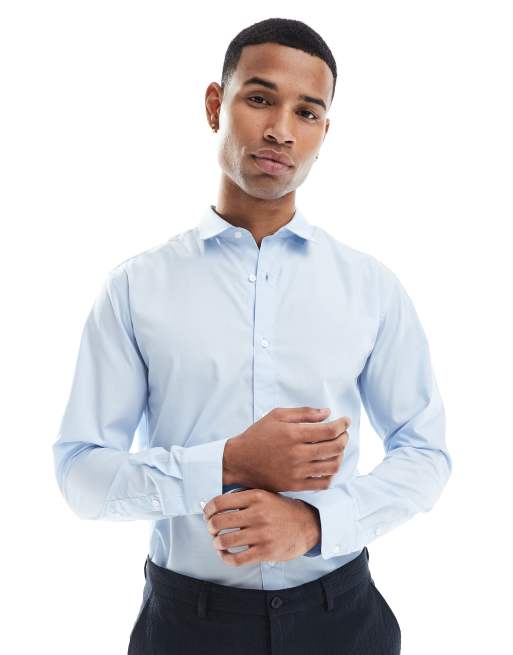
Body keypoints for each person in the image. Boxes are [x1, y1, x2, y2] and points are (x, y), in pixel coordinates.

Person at [52, 17, 452, 655]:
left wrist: (314, 524)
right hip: (187, 626)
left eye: (307, 112)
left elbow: (426, 454)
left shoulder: (371, 287)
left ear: (324, 132)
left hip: (342, 619)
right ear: (216, 104)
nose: (281, 131)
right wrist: (228, 463)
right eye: (260, 99)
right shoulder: (135, 288)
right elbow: (80, 473)